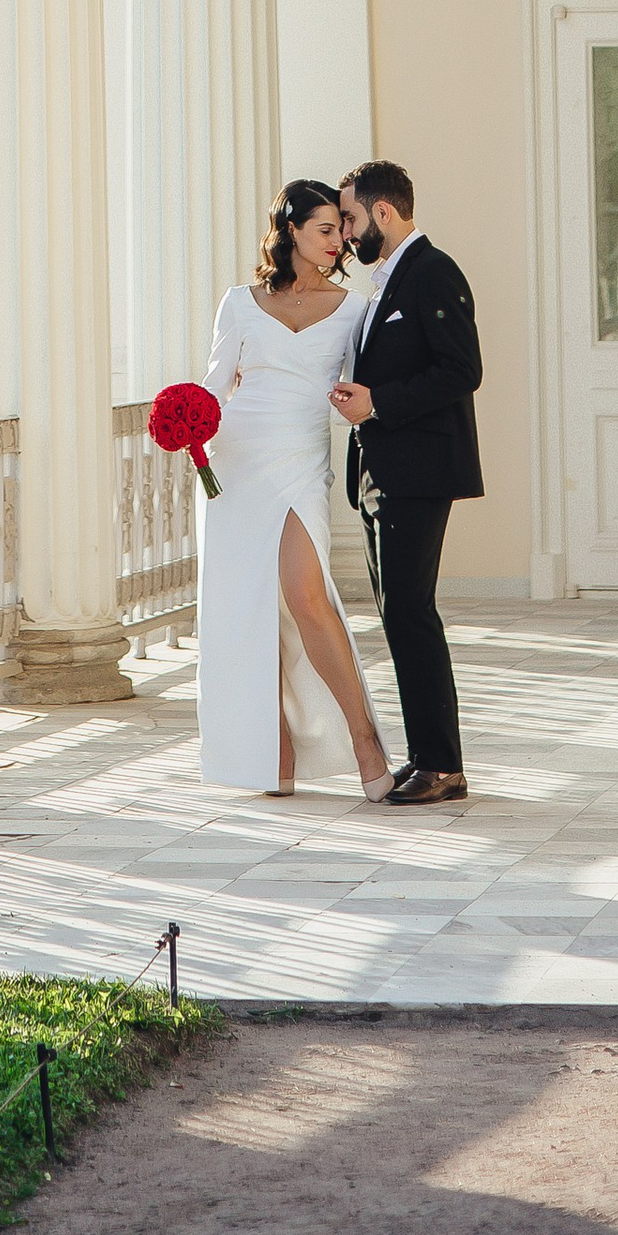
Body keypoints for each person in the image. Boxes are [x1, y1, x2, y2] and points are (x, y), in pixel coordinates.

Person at [195, 179, 398, 797]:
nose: (341, 241)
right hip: (236, 461)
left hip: (301, 461)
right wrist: (185, 419)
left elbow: (353, 398)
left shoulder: (353, 310)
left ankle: (364, 740)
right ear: (292, 232)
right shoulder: (239, 302)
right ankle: (272, 757)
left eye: (342, 229)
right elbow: (213, 388)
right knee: (251, 612)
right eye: (327, 230)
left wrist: (352, 406)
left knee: (306, 596)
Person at [330, 159, 482, 808]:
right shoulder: (385, 282)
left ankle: (441, 765)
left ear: (383, 213)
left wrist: (380, 404)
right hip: (380, 474)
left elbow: (462, 369)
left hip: (418, 473)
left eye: (352, 219)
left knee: (410, 614)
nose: (346, 232)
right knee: (400, 614)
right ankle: (429, 758)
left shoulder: (433, 271)